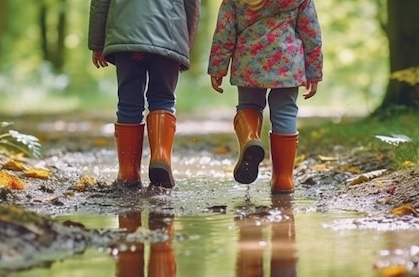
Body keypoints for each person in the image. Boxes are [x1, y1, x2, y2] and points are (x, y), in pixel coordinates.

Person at [208, 0, 323, 194]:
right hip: (287, 62)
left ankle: (251, 138)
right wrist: (314, 71)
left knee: (249, 106)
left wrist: (218, 67)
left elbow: (224, 32)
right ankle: (283, 179)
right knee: (285, 112)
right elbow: (311, 35)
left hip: (248, 61)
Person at [88, 0, 200, 189]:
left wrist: (97, 43)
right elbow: (192, 5)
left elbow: (100, 3)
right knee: (163, 99)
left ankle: (128, 175)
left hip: (126, 34)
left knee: (129, 103)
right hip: (170, 34)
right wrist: (184, 43)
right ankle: (160, 157)